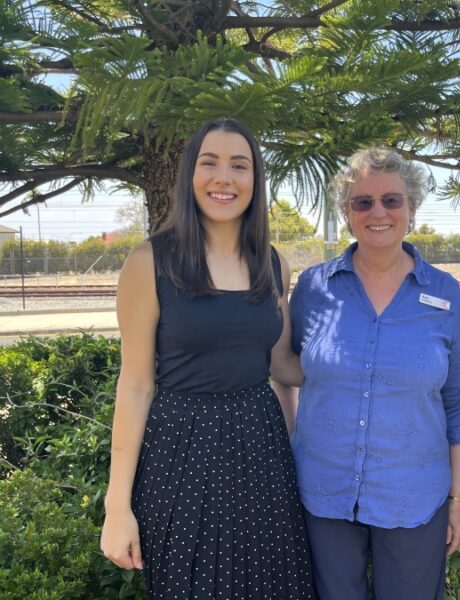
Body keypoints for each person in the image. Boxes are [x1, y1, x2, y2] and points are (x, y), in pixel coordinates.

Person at [99, 117, 313, 599]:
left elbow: (281, 364)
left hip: (262, 451)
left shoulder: (272, 263)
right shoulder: (149, 262)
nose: (225, 178)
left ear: (254, 181)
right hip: (181, 452)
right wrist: (117, 506)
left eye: (240, 165)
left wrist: (362, 367)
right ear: (189, 176)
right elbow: (135, 385)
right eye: (210, 162)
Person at [288, 147, 460, 600]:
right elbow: (288, 368)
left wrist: (458, 499)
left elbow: (459, 401)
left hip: (414, 498)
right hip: (324, 492)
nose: (378, 212)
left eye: (392, 200)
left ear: (410, 210)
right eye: (363, 202)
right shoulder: (314, 288)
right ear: (347, 213)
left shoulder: (443, 293)